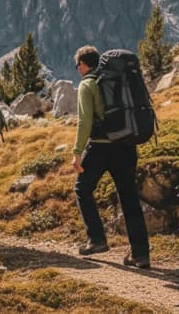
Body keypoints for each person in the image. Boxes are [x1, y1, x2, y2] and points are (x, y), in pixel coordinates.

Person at [70, 45, 151, 269]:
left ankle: (96, 239)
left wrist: (77, 152)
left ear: (84, 65)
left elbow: (84, 122)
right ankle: (140, 254)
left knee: (82, 189)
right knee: (128, 196)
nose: (78, 70)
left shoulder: (87, 84)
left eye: (77, 66)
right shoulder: (117, 79)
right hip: (126, 146)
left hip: (100, 147)